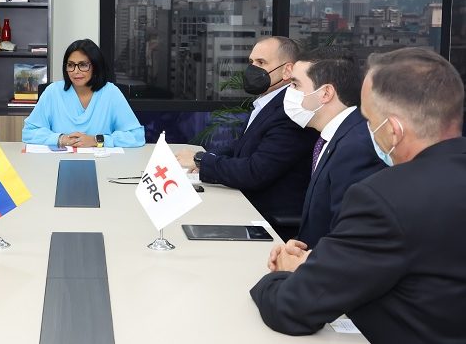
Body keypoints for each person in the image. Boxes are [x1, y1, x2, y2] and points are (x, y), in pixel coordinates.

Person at [251, 47, 466, 343]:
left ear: (393, 130)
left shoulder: (385, 198)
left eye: (368, 119)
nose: (365, 131)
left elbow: (293, 307)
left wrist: (285, 274)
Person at [176, 36, 318, 240]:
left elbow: (255, 171)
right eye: (251, 62)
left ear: (287, 70)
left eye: (261, 63)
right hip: (245, 205)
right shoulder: (268, 103)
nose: (252, 69)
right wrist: (204, 158)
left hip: (268, 223)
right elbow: (241, 149)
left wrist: (201, 160)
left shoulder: (290, 111)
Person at [280, 47, 384, 248]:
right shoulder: (336, 136)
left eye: (295, 84)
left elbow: (349, 235)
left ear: (326, 93)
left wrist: (306, 261)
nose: (289, 92)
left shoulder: (356, 147)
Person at [22, 38, 145, 148]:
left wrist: (96, 140)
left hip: (103, 163)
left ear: (96, 67)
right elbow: (29, 132)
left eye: (83, 65)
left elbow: (136, 136)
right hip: (57, 162)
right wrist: (61, 139)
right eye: (71, 65)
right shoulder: (53, 92)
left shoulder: (111, 93)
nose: (76, 71)